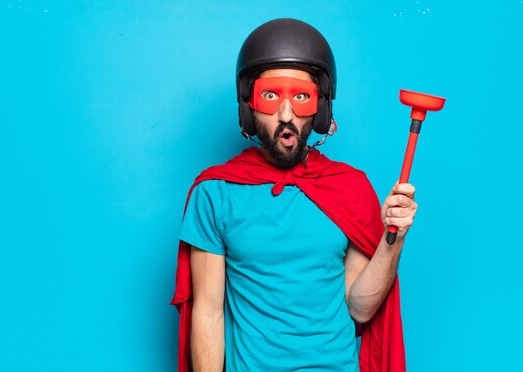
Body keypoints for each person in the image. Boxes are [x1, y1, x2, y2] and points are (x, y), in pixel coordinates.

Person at [171, 18, 417, 372]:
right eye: (270, 96)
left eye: (301, 97)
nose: (285, 114)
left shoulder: (349, 188)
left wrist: (394, 238)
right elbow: (208, 313)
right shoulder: (215, 193)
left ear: (321, 107)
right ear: (248, 106)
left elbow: (360, 308)